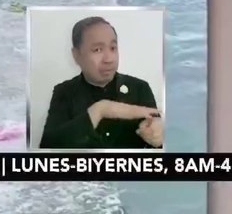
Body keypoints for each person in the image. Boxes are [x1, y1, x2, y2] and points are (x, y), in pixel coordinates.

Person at [38, 16, 164, 149]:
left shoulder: (139, 88)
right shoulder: (64, 92)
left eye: (113, 48)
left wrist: (159, 136)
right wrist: (99, 110)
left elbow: (156, 136)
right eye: (97, 50)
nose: (109, 59)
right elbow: (48, 147)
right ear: (76, 55)